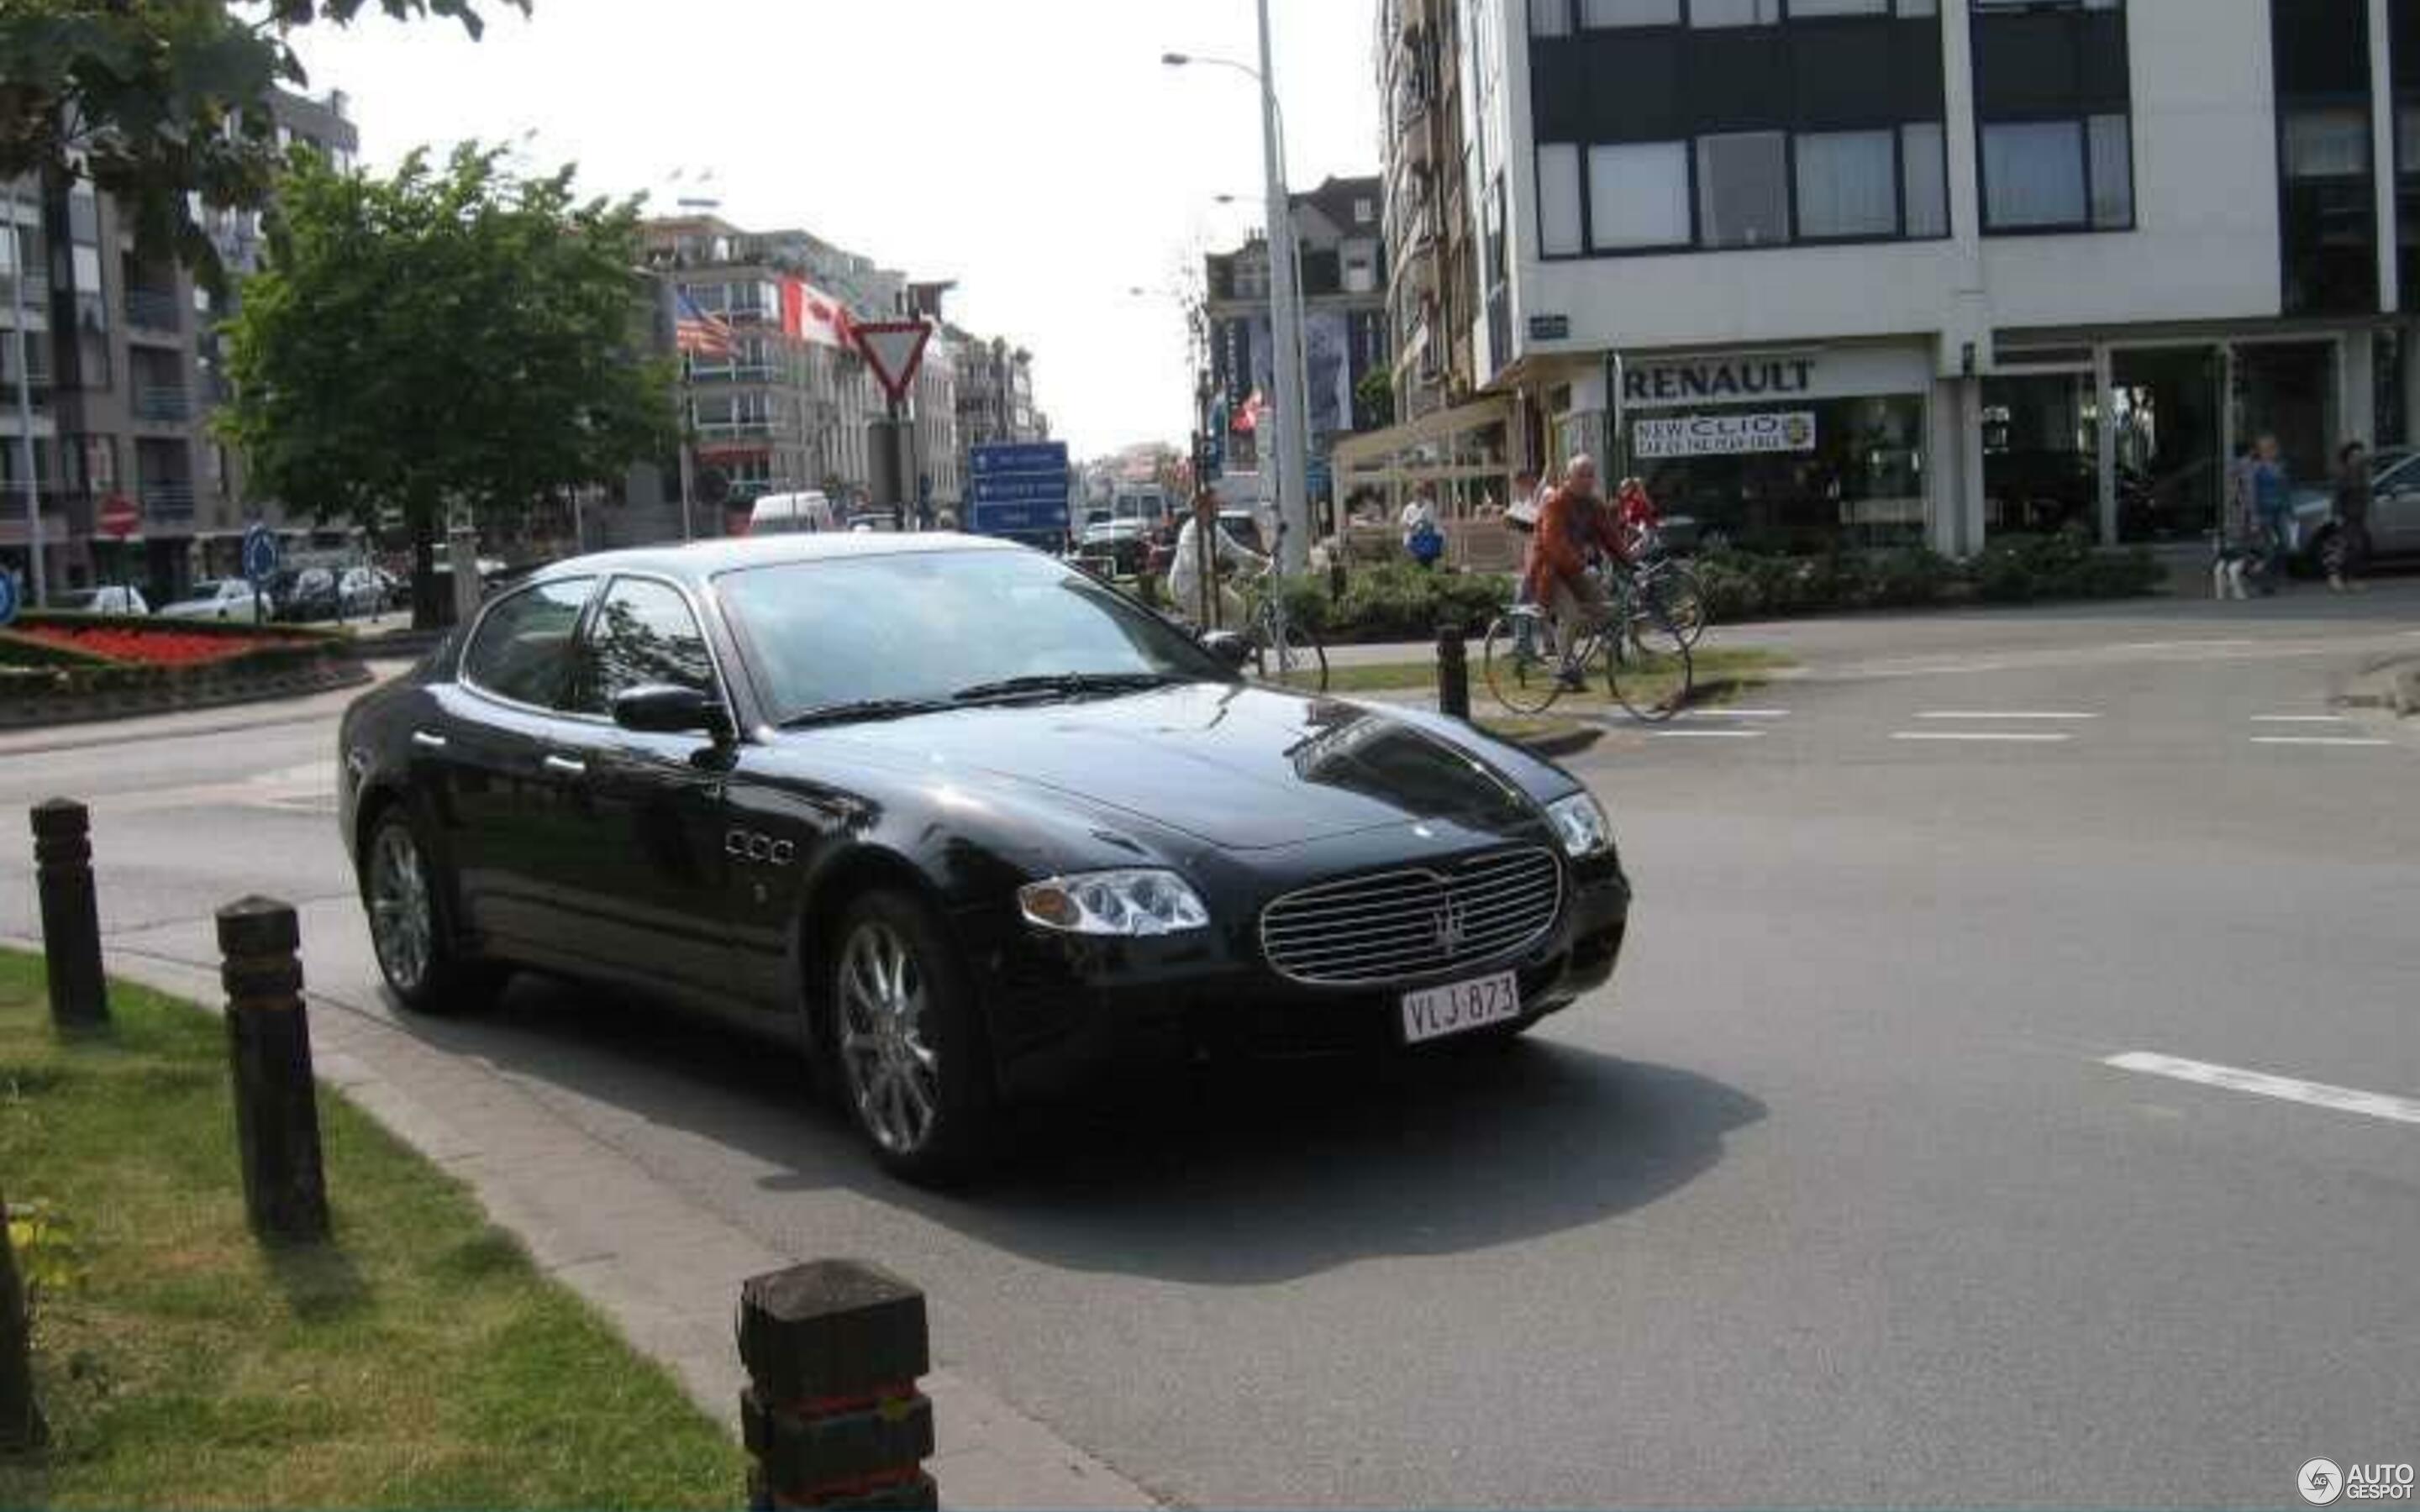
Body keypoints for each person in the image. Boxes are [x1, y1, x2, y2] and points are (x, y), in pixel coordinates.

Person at [1524, 454, 1629, 690]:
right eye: (1581, 475)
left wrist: (1629, 561)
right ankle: (1564, 667)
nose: (1586, 480)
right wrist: (1583, 567)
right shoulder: (1555, 504)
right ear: (1568, 478)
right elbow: (1554, 544)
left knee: (1606, 608)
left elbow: (1610, 536)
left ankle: (1585, 656)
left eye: (1590, 475)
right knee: (1570, 615)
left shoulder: (1593, 505)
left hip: (1575, 570)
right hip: (1550, 572)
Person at [1168, 487, 1267, 631]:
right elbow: (1195, 563)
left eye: (1217, 504)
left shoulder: (1215, 528)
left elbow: (1235, 550)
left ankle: (1231, 645)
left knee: (1238, 607)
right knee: (1214, 622)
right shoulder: (1190, 532)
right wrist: (1219, 576)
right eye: (1214, 505)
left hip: (1208, 582)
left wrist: (1263, 561)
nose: (1218, 508)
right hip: (1188, 586)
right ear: (1202, 508)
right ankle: (1216, 649)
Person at [1503, 470, 1543, 654]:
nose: (1520, 488)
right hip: (1531, 561)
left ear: (1529, 480)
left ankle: (1523, 645)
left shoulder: (1543, 495)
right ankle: (1529, 644)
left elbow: (1539, 526)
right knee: (1532, 604)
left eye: (1521, 483)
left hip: (1539, 561)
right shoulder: (1528, 500)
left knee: (1523, 602)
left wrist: (1520, 523)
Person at [2249, 433, 2293, 595]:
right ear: (2260, 451)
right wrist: (2254, 515)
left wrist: (2290, 510)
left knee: (2285, 544)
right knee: (2268, 549)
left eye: (2273, 447)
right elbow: (2252, 493)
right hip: (2264, 511)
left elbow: (2286, 490)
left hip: (2280, 510)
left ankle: (2277, 575)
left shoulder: (2281, 467)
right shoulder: (2257, 469)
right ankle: (2263, 580)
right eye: (2266, 448)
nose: (2271, 451)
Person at [2330, 439, 2371, 593]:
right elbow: (2337, 496)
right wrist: (2337, 515)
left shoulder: (2362, 473)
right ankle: (2336, 577)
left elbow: (2365, 494)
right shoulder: (2343, 473)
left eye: (2360, 455)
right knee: (2348, 547)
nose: (2358, 458)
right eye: (2355, 455)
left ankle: (2351, 579)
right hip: (2346, 515)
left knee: (2356, 548)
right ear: (2348, 457)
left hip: (2359, 515)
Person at [1400, 488, 1443, 570]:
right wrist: (1414, 524)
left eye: (1421, 494)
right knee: (1415, 562)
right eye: (1416, 494)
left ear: (1423, 495)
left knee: (1428, 561)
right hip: (1413, 540)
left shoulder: (1429, 505)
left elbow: (1431, 522)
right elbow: (1404, 524)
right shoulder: (1408, 508)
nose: (1418, 497)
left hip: (1426, 540)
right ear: (1413, 496)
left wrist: (1422, 524)